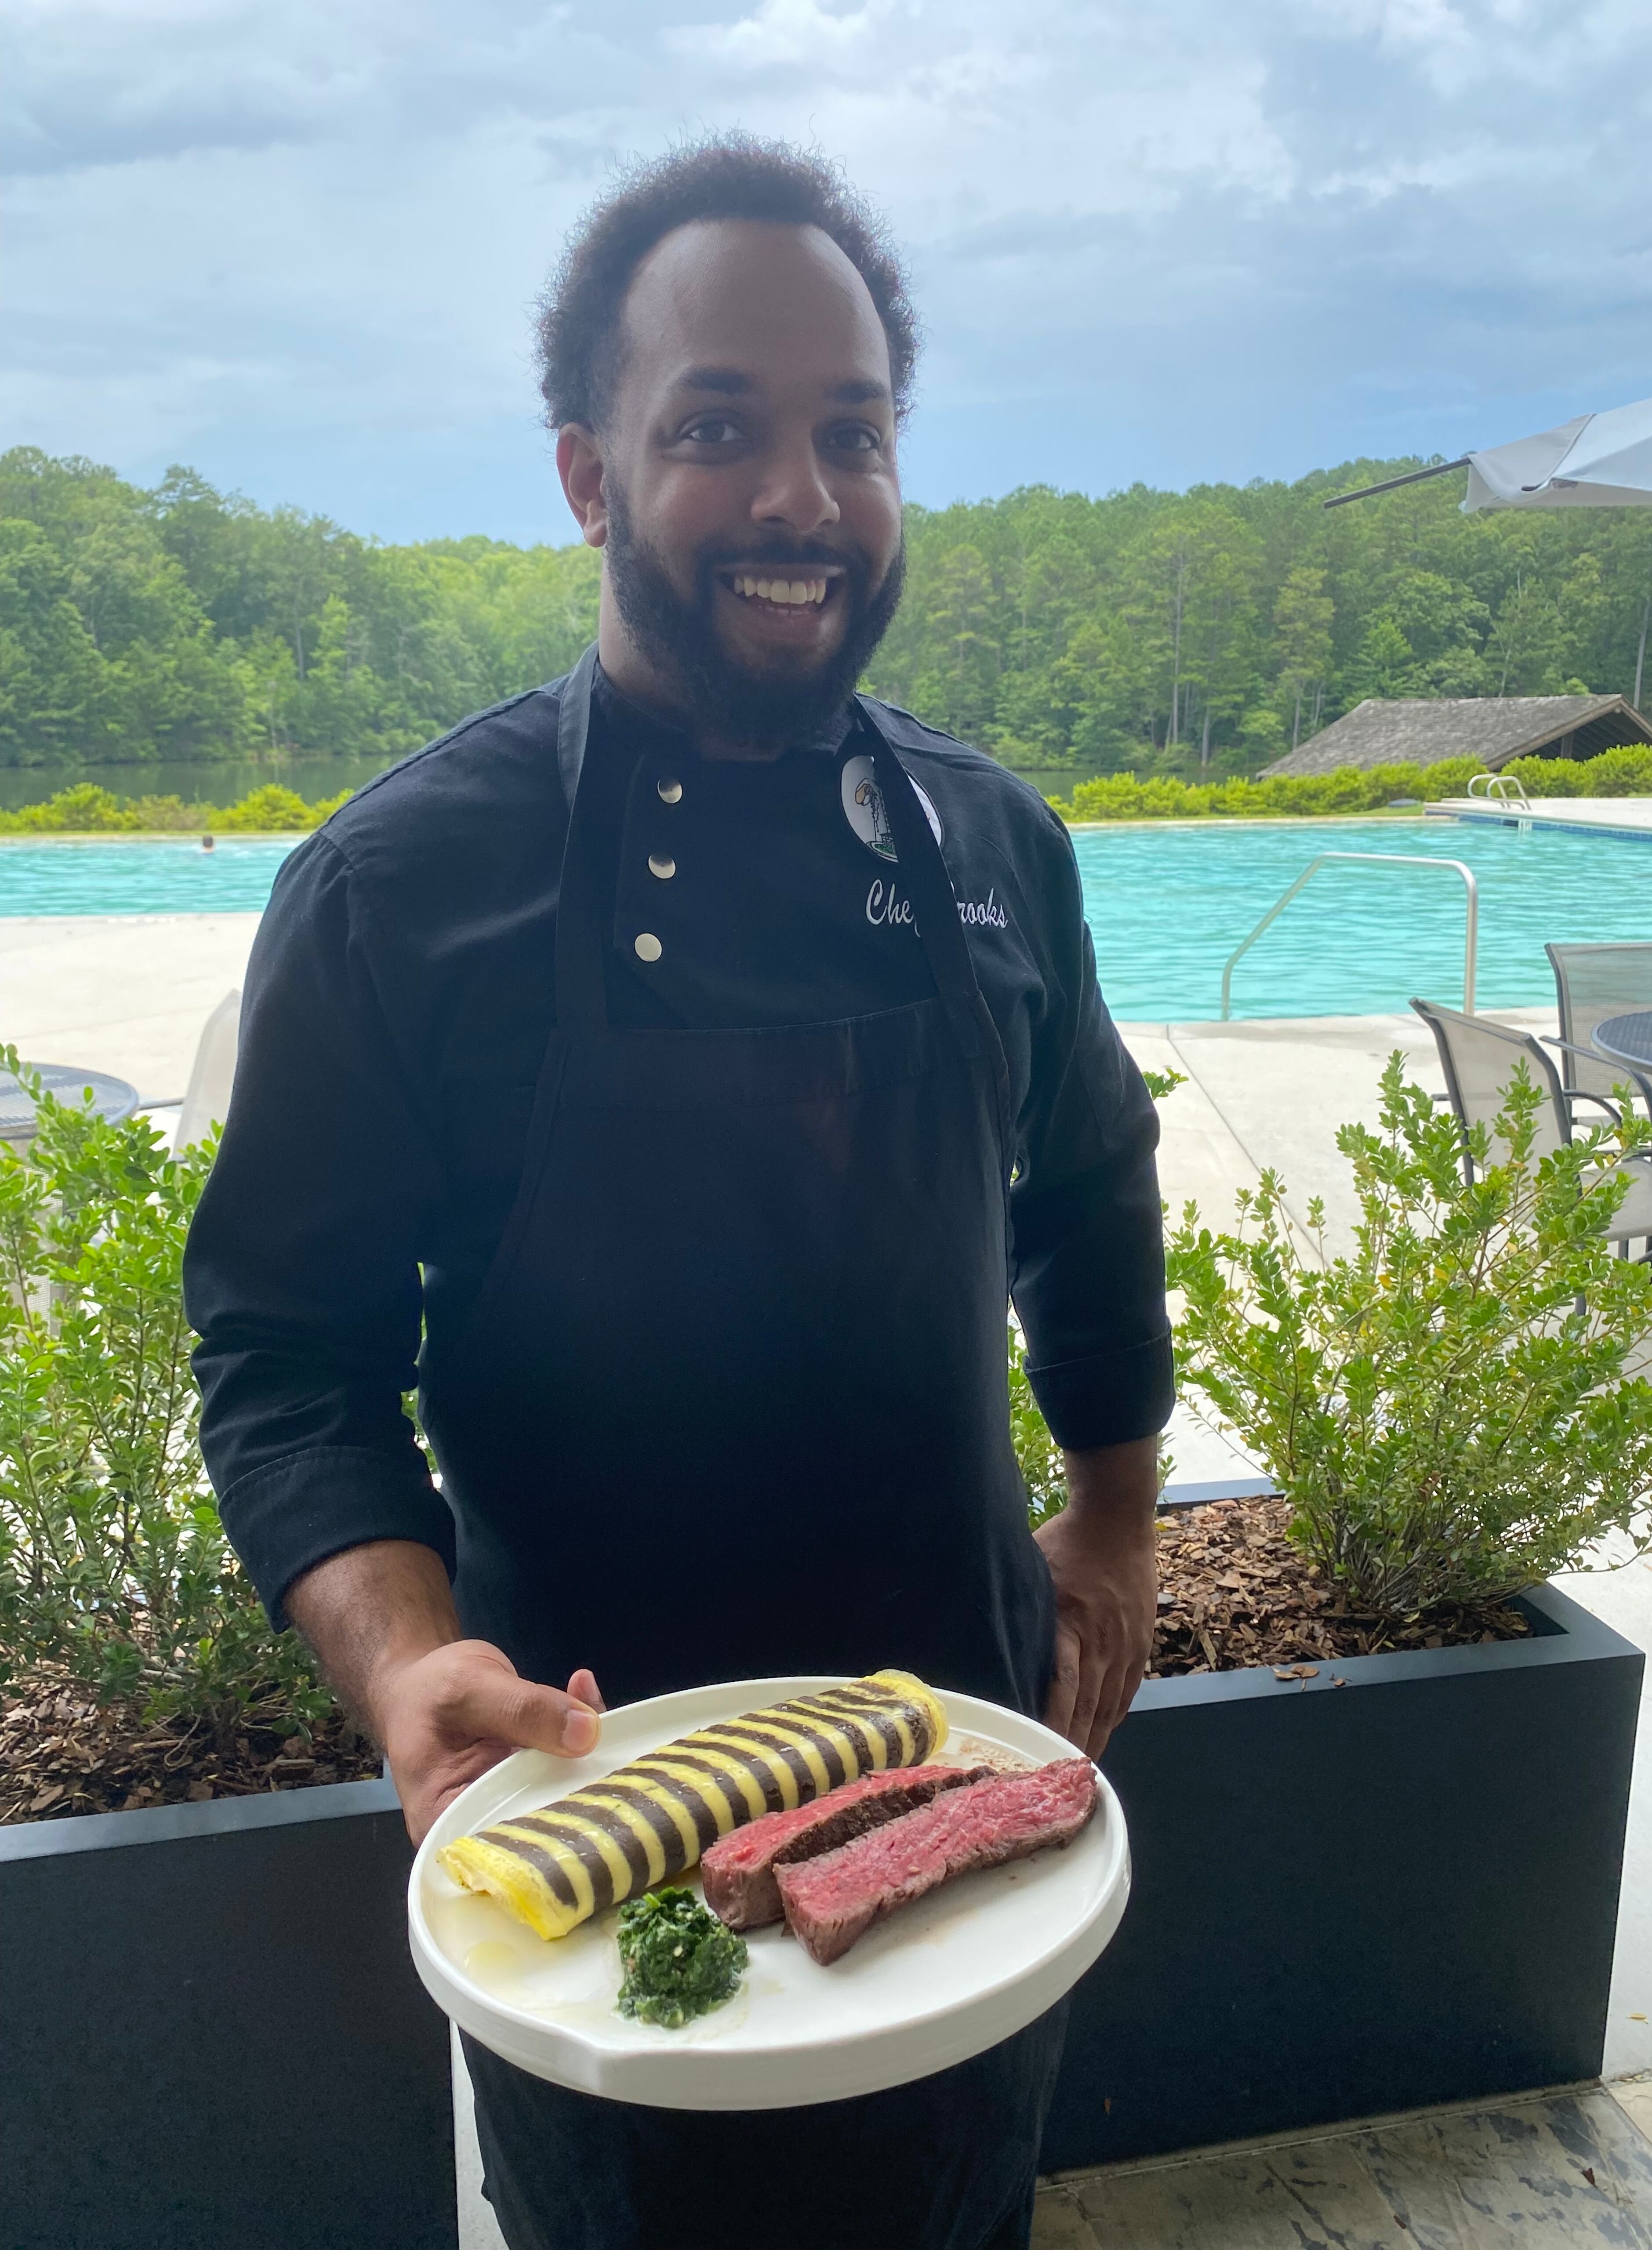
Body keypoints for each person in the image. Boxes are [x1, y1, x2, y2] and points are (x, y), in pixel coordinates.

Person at [184, 137, 1171, 2250]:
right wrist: (403, 1654)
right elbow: (285, 1350)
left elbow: (1093, 1185)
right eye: (717, 426)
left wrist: (1108, 1515)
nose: (802, 496)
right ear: (588, 474)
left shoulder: (997, 842)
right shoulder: (400, 886)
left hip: (965, 1734)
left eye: (855, 432)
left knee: (957, 2201)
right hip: (589, 1781)